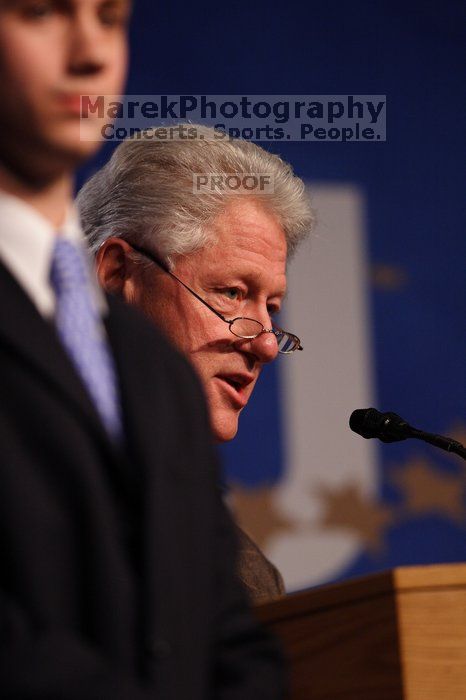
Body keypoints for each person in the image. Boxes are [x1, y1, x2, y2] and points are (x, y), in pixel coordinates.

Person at [0, 3, 284, 698]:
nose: (92, 51)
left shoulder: (155, 373)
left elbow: (233, 645)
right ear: (118, 271)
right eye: (41, 11)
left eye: (112, 17)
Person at [78, 124, 314, 603]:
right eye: (231, 293)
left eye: (271, 309)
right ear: (117, 274)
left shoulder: (250, 578)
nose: (266, 346)